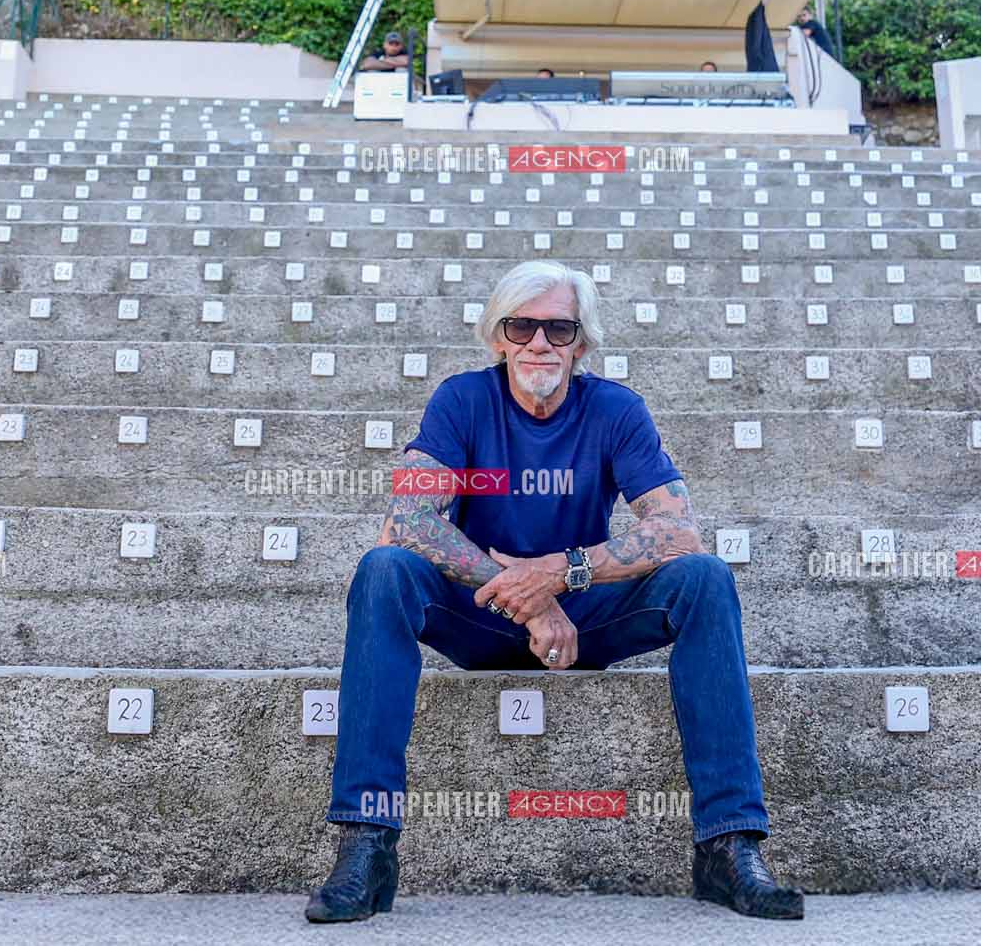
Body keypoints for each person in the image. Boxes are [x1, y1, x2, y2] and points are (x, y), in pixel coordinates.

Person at [304, 261, 805, 924]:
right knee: (384, 570)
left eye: (559, 329)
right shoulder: (461, 400)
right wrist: (529, 595)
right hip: (481, 616)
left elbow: (678, 531)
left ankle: (729, 845)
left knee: (706, 579)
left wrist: (561, 574)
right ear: (499, 337)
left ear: (581, 344)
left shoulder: (616, 409)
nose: (539, 342)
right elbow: (408, 522)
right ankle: (366, 843)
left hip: (584, 619)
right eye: (522, 327)